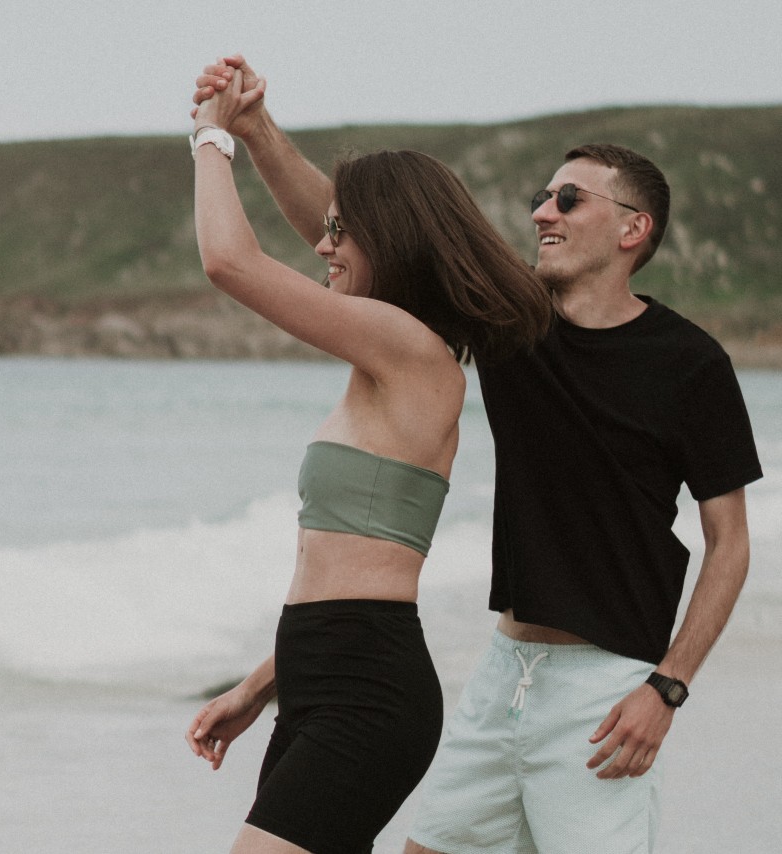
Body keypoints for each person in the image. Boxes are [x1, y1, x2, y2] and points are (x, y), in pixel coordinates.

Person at [191, 56, 762, 854]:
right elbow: (360, 241)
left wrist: (666, 688)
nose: (542, 213)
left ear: (634, 229)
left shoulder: (691, 364)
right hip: (506, 673)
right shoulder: (517, 328)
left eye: (569, 198)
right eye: (540, 197)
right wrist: (257, 133)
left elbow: (729, 543)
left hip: (606, 685)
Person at [184, 70, 554, 854]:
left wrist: (211, 135)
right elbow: (335, 573)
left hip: (368, 689)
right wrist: (259, 686)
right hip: (320, 677)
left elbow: (229, 261)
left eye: (340, 234)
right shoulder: (393, 348)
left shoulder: (413, 354)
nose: (322, 245)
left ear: (388, 242)